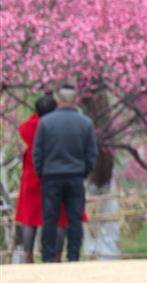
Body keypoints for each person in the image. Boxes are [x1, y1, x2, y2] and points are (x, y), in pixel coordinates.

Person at [33, 85, 98, 263]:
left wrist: (42, 172)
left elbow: (37, 153)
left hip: (51, 176)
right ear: (76, 100)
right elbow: (91, 154)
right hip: (75, 175)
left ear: (58, 101)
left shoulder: (45, 122)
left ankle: (48, 257)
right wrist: (83, 172)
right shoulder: (86, 123)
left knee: (50, 218)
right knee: (75, 218)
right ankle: (73, 256)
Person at [15, 93, 68, 263]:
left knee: (29, 219)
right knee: (59, 218)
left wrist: (36, 114)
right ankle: (56, 257)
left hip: (32, 177)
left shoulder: (28, 127)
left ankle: (28, 256)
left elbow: (25, 128)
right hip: (56, 175)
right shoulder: (58, 126)